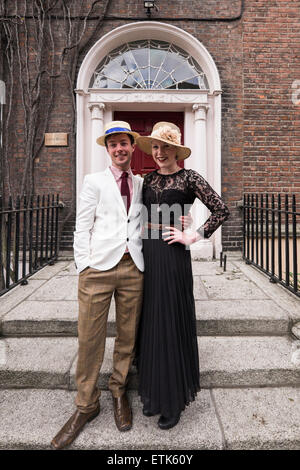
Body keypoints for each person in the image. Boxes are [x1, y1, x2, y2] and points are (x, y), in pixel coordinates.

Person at [51, 121, 145, 450]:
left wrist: (187, 223)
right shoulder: (93, 181)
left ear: (133, 146)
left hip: (134, 267)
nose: (119, 149)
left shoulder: (142, 183)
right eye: (113, 144)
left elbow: (150, 219)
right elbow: (82, 226)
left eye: (124, 143)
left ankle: (119, 391)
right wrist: (84, 264)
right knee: (90, 338)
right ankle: (86, 405)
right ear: (107, 149)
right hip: (98, 270)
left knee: (127, 336)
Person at [136, 122, 230, 430]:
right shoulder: (146, 179)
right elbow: (137, 215)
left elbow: (220, 209)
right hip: (147, 255)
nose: (159, 153)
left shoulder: (189, 178)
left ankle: (173, 401)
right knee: (151, 321)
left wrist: (194, 234)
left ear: (177, 150)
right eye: (155, 147)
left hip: (174, 257)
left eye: (166, 147)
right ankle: (153, 394)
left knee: (170, 320)